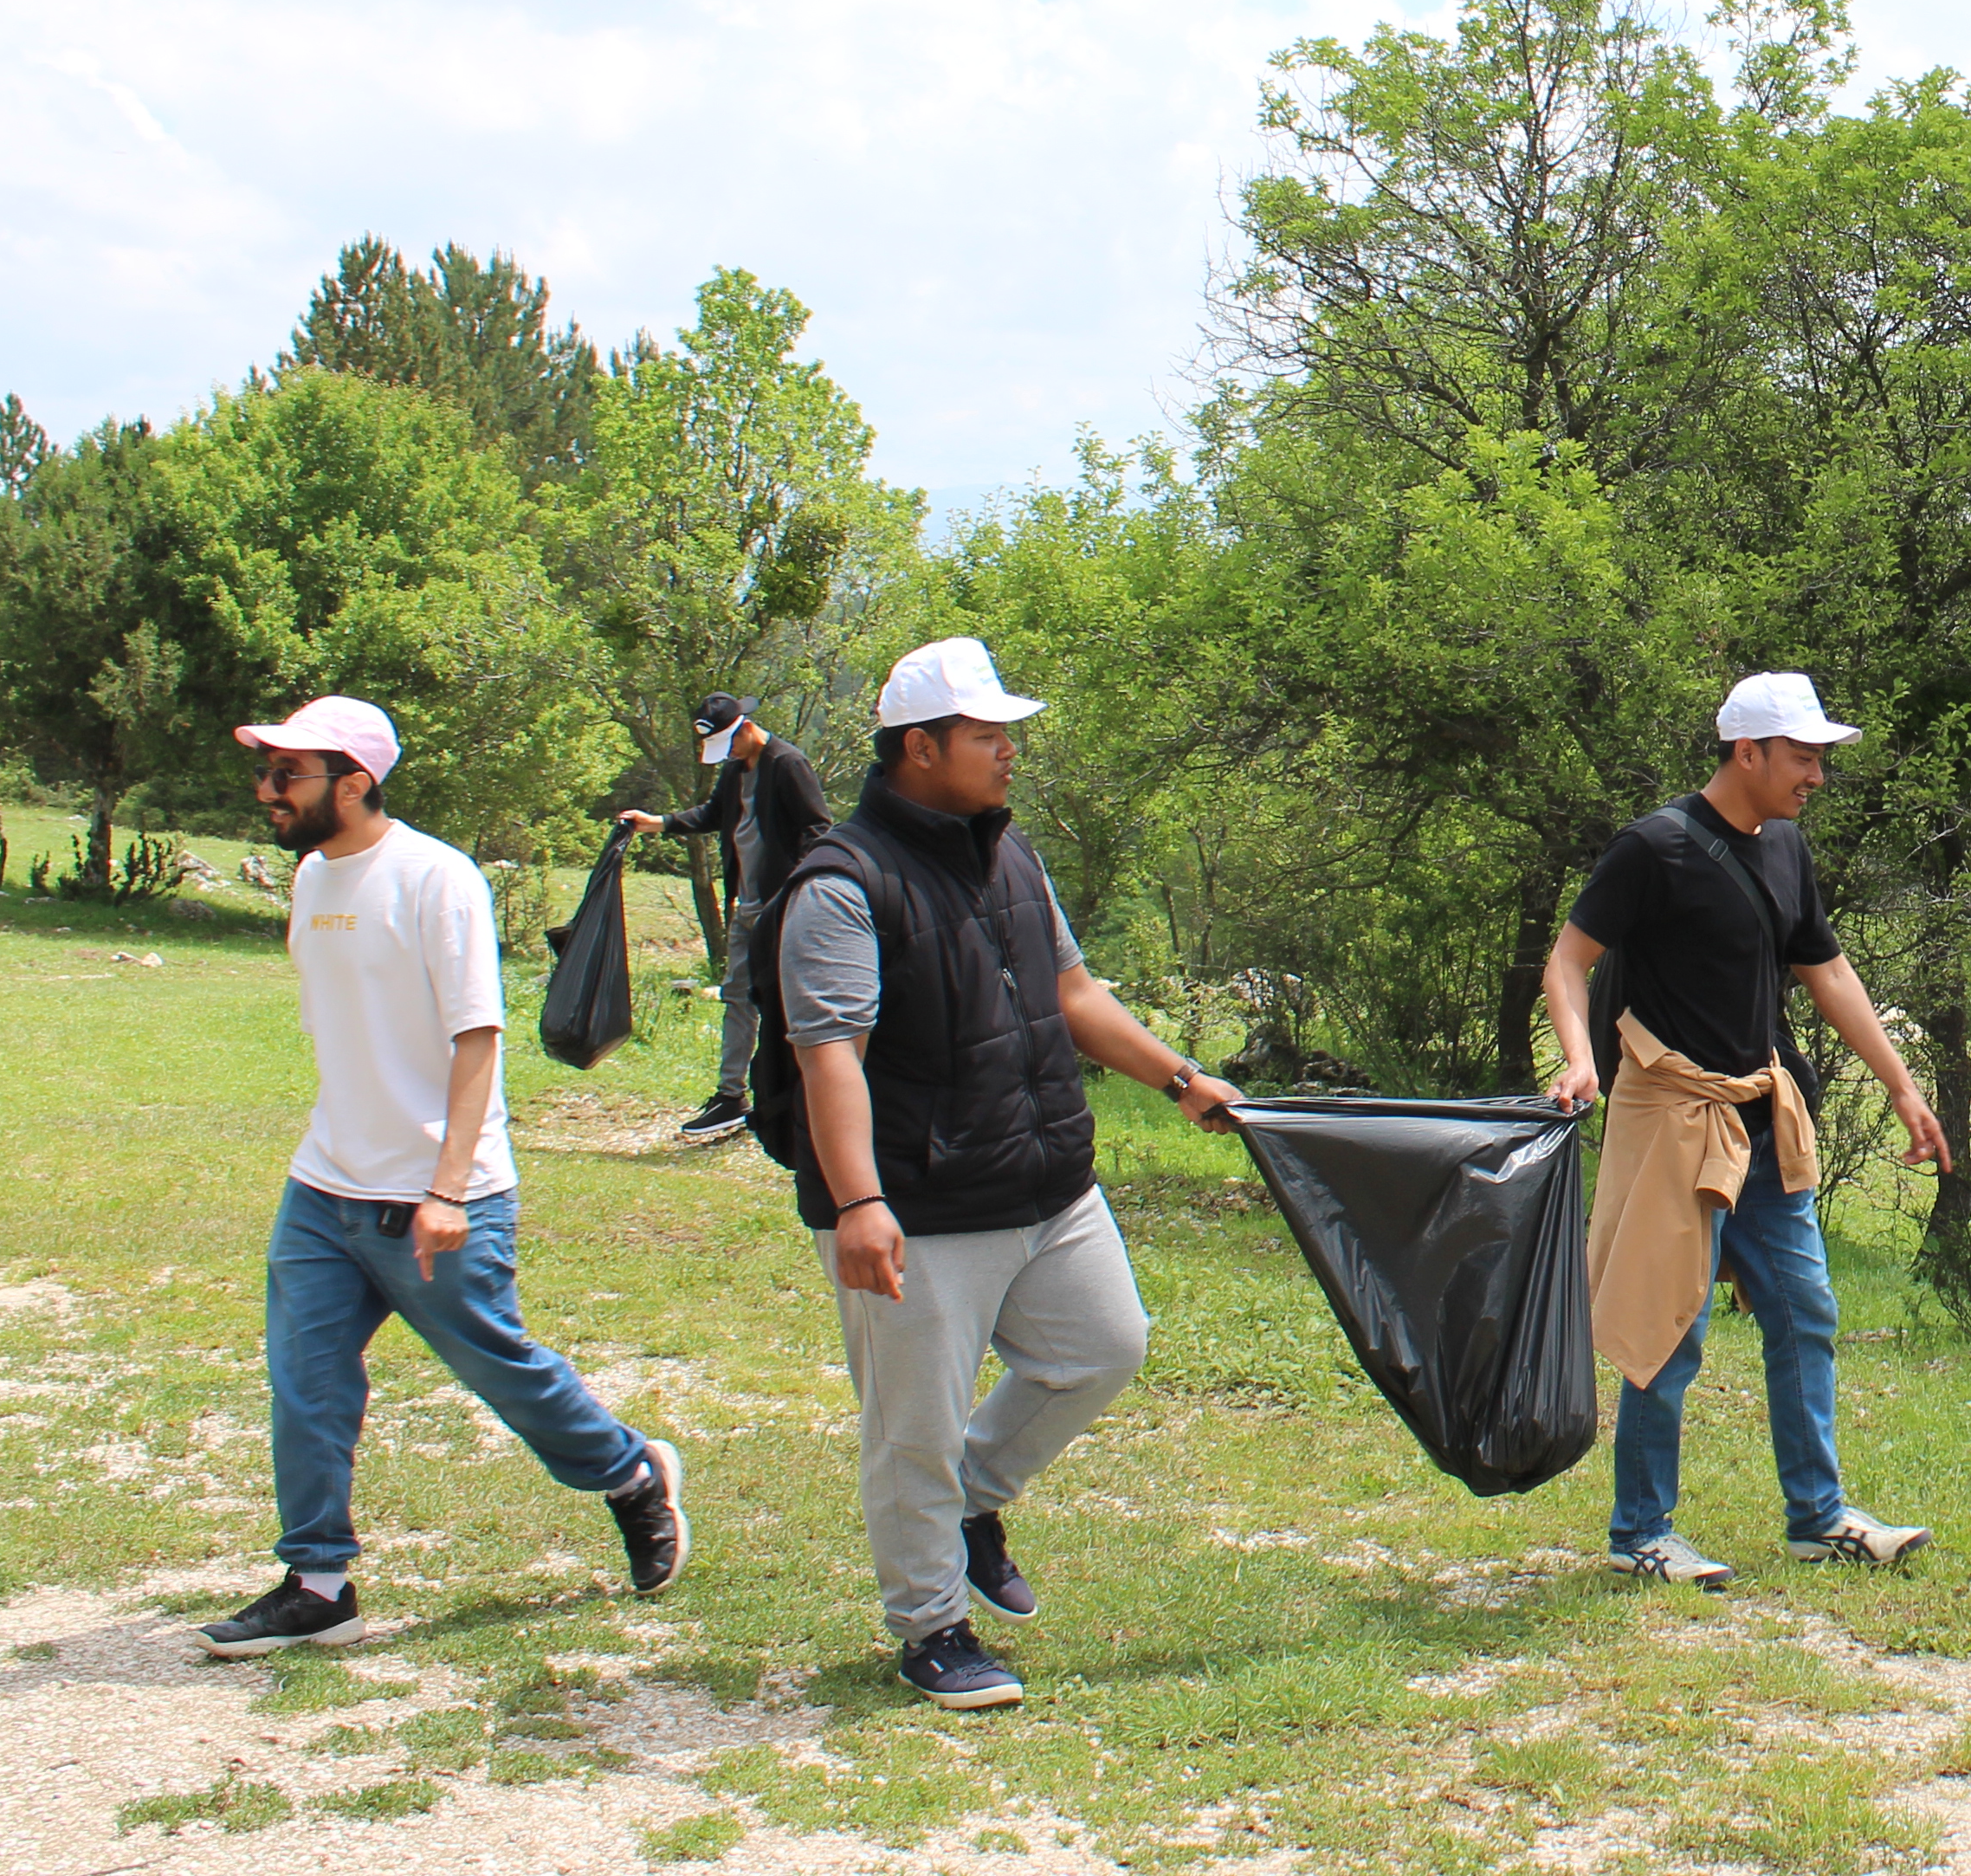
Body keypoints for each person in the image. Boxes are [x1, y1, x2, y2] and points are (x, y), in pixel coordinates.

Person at [752, 636, 1244, 1707]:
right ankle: (931, 1628)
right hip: (921, 1204)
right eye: (988, 736)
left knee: (1104, 1346)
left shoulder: (1008, 852)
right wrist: (859, 1202)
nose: (1010, 753)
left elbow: (1071, 993)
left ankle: (969, 1503)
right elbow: (827, 1055)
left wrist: (1181, 1079)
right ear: (920, 749)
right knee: (912, 1426)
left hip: (1046, 1181)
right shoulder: (840, 884)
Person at [201, 697, 689, 1656]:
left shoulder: (435, 878)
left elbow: (478, 1039)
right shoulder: (310, 879)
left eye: (284, 774)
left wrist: (449, 1186)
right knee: (304, 1381)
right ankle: (318, 1579)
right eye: (265, 772)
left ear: (354, 781)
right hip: (326, 1185)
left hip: (433, 1192)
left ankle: (631, 1473)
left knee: (497, 1369)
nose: (266, 790)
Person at [1541, 670, 1948, 1591]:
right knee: (1667, 1323)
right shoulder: (1656, 847)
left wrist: (1902, 1086)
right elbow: (1568, 963)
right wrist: (1580, 1060)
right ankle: (1640, 1535)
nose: (1816, 776)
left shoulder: (1786, 852)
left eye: (1818, 758)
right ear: (1747, 751)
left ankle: (1820, 1521)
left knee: (1806, 1313)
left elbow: (1828, 973)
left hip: (1766, 1119)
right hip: (1672, 1119)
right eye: (1802, 757)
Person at [617, 693, 835, 1149]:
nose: (725, 756)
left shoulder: (789, 764)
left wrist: (798, 892)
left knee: (786, 1003)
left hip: (783, 907)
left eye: (727, 744)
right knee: (738, 996)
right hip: (747, 907)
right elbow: (714, 816)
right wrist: (652, 822)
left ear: (744, 727)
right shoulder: (737, 770)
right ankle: (730, 1097)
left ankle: (798, 1099)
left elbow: (819, 831)